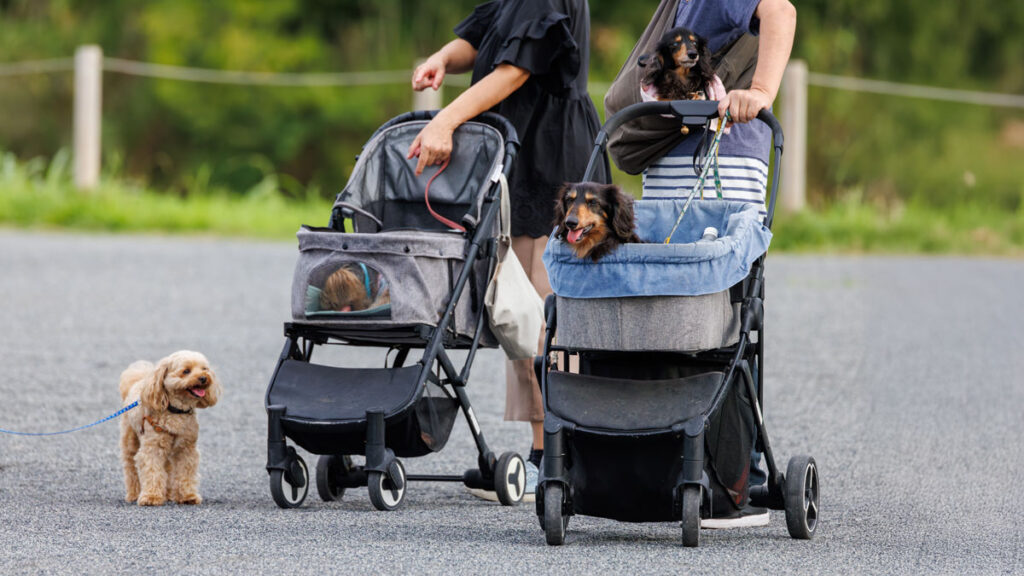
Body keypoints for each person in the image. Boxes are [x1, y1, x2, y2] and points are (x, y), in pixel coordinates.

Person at [409, 0, 609, 503]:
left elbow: (517, 69)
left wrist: (445, 120)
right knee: (520, 310)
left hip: (553, 156)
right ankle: (546, 453)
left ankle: (563, 456)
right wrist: (442, 59)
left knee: (546, 311)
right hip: (518, 153)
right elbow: (480, 38)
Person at [639, 0, 796, 530]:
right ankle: (670, 456)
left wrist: (762, 94)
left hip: (722, 157)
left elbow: (780, 10)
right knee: (668, 302)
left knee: (727, 308)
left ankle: (732, 469)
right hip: (670, 154)